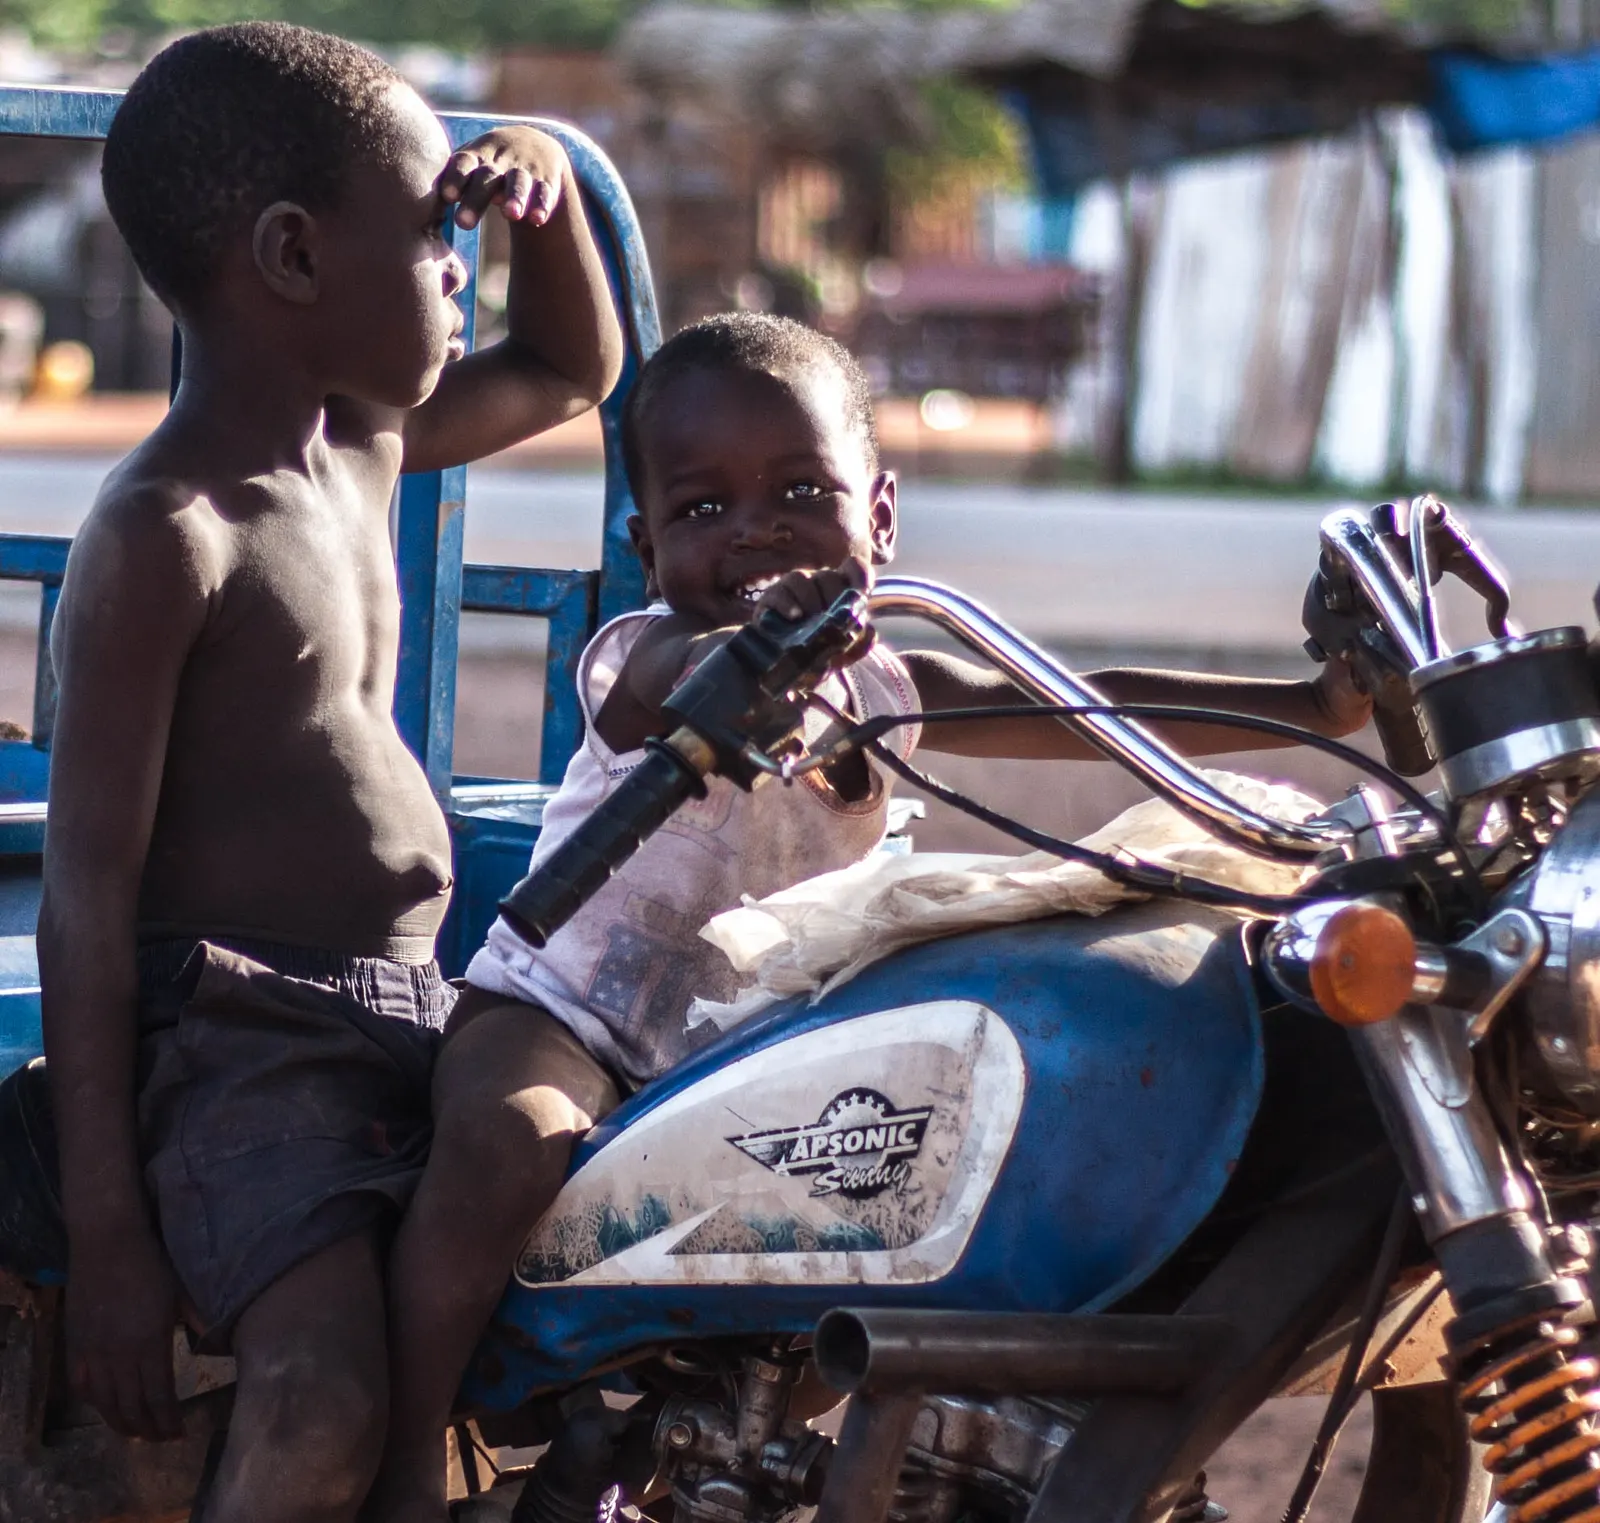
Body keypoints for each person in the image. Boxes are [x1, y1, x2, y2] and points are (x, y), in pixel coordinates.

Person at [371, 312, 1373, 1521]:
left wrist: (1313, 701)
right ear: (645, 547)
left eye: (800, 490)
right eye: (702, 510)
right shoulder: (644, 648)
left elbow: (1088, 704)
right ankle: (401, 1456)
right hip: (568, 1010)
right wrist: (728, 669)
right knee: (506, 1141)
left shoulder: (895, 687)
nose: (753, 531)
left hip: (762, 1045)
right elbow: (655, 687)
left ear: (880, 518)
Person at [36, 22, 623, 1523]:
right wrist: (110, 1233)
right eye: (439, 239)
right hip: (247, 1037)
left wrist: (542, 191)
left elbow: (573, 365)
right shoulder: (170, 531)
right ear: (293, 255)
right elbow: (87, 892)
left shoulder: (362, 445)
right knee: (326, 1396)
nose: (460, 271)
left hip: (416, 1008)